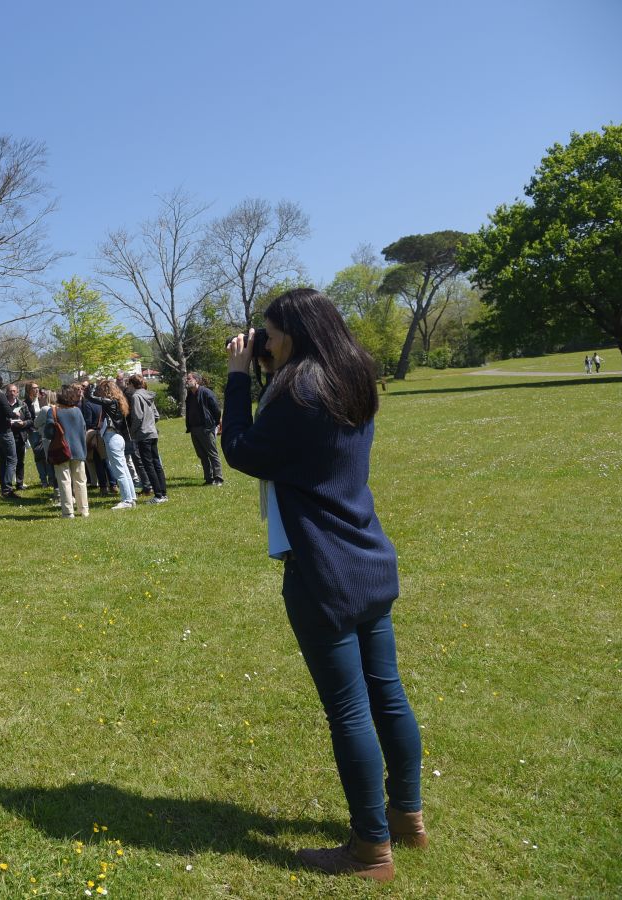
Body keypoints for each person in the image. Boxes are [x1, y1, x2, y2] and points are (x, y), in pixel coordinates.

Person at [221, 288, 426, 882]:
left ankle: (370, 850)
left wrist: (238, 377)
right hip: (367, 556)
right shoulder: (349, 376)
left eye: (269, 332)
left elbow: (243, 450)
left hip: (321, 570)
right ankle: (407, 817)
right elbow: (292, 441)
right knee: (388, 694)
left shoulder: (298, 390)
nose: (262, 340)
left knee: (349, 710)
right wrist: (266, 367)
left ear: (294, 333)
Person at [41, 383, 89, 518]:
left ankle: (68, 512)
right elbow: (83, 429)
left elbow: (48, 433)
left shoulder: (54, 411)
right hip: (79, 449)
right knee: (80, 481)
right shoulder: (78, 411)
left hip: (62, 450)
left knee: (64, 481)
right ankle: (84, 510)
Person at [94, 379, 138, 509]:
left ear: (106, 391)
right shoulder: (118, 401)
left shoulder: (110, 402)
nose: (98, 392)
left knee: (119, 470)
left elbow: (90, 397)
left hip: (112, 437)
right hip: (118, 437)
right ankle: (131, 497)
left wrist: (92, 386)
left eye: (100, 389)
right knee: (123, 468)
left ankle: (127, 500)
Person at [125, 375, 168, 503]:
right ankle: (163, 493)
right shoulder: (148, 395)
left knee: (148, 465)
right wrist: (150, 425)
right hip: (152, 433)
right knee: (156, 464)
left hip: (143, 435)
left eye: (128, 384)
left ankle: (158, 495)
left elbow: (137, 417)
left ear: (132, 384)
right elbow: (156, 415)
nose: (128, 387)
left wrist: (132, 432)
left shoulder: (136, 396)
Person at [184, 372, 224, 486]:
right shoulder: (190, 395)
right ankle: (208, 478)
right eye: (187, 379)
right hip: (194, 429)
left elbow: (216, 409)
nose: (187, 381)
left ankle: (218, 478)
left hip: (206, 428)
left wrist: (214, 424)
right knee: (202, 455)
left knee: (212, 454)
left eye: (189, 379)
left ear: (196, 380)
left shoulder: (206, 393)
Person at [7, 382, 32, 490]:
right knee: (9, 461)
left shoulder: (23, 405)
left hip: (20, 436)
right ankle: (8, 484)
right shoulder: (4, 405)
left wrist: (24, 423)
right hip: (8, 436)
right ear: (6, 393)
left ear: (17, 392)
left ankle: (19, 483)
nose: (12, 393)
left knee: (20, 461)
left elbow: (30, 420)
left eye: (14, 391)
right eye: (10, 391)